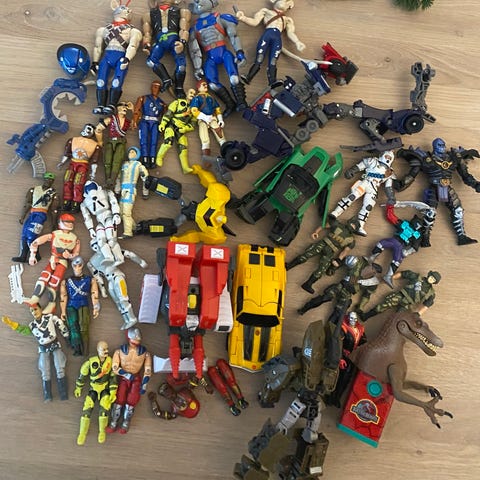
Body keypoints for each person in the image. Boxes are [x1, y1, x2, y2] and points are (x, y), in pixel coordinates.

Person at [396, 137, 480, 246]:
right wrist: (402, 183)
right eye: (439, 145)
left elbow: (465, 175)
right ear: (434, 146)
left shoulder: (454, 158)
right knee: (430, 212)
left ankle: (461, 237)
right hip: (434, 188)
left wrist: (475, 184)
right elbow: (413, 173)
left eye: (443, 145)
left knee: (458, 210)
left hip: (447, 187)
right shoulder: (426, 158)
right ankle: (425, 238)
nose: (442, 148)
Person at [188, 0, 247, 117]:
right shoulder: (194, 27)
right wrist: (197, 67)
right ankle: (230, 104)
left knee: (234, 78)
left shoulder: (220, 18)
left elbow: (233, 36)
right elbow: (194, 49)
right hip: (209, 56)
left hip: (224, 52)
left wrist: (239, 52)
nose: (198, 2)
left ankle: (241, 101)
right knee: (212, 85)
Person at [2, 305, 69, 402]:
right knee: (45, 371)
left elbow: (60, 323)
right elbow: (24, 330)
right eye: (32, 311)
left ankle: (63, 393)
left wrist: (66, 334)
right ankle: (47, 395)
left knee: (60, 368)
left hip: (54, 343)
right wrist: (12, 324)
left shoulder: (50, 317)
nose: (34, 312)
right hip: (43, 347)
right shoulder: (32, 325)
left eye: (35, 309)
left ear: (41, 309)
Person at [236, 0, 306, 85]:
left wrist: (297, 42)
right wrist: (243, 18)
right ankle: (249, 77)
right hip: (267, 35)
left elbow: (290, 33)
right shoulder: (266, 11)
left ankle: (272, 81)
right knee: (259, 57)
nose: (285, 2)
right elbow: (254, 22)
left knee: (273, 60)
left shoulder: (287, 20)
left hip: (277, 38)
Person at [91, 2, 142, 114]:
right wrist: (95, 62)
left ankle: (111, 104)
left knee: (117, 82)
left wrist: (127, 58)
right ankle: (100, 105)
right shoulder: (103, 30)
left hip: (121, 57)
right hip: (107, 56)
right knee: (100, 81)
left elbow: (133, 46)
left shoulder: (133, 31)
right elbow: (98, 47)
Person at [329, 150, 396, 236]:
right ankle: (336, 212)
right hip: (365, 182)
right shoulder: (372, 161)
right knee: (352, 196)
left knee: (368, 207)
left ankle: (360, 225)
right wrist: (352, 170)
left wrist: (391, 197)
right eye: (387, 156)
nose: (387, 159)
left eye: (390, 158)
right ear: (382, 155)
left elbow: (388, 186)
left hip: (373, 188)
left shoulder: (390, 172)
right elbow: (361, 165)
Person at [25, 213, 80, 314]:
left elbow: (76, 254)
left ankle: (51, 304)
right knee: (44, 277)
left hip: (63, 261)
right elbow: (36, 242)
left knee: (54, 282)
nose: (69, 224)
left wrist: (70, 256)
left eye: (70, 222)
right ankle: (35, 298)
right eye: (66, 222)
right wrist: (32, 255)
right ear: (60, 223)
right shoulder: (54, 234)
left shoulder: (75, 238)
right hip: (53, 259)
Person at [285, 217, 357, 294]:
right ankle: (289, 266)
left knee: (322, 269)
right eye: (352, 224)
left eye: (354, 226)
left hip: (331, 251)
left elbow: (345, 251)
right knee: (307, 254)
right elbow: (324, 225)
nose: (352, 226)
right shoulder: (337, 224)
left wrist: (338, 259)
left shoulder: (351, 240)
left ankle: (308, 284)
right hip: (323, 243)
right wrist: (316, 232)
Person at [107, 327, 152, 434]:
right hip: (124, 378)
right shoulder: (119, 351)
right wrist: (126, 374)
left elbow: (147, 370)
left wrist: (144, 384)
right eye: (133, 339)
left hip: (136, 378)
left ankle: (125, 423)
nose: (135, 341)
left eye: (137, 339)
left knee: (132, 401)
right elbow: (114, 367)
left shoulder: (145, 353)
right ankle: (113, 422)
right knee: (119, 399)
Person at [142, 0, 191, 98]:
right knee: (150, 61)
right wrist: (146, 44)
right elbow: (147, 33)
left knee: (181, 65)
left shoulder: (182, 11)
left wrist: (182, 42)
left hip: (174, 41)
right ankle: (166, 79)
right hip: (160, 42)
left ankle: (179, 87)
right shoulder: (149, 15)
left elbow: (184, 29)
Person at [74, 341, 118, 445]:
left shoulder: (110, 362)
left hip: (105, 389)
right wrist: (78, 388)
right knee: (86, 410)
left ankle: (102, 432)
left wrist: (113, 392)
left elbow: (113, 378)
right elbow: (82, 375)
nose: (106, 351)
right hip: (93, 388)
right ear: (98, 350)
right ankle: (82, 433)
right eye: (103, 349)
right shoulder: (90, 362)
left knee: (104, 411)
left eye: (107, 349)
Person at [12, 172, 58, 263]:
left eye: (51, 180)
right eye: (47, 179)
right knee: (24, 233)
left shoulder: (53, 193)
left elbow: (54, 210)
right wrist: (23, 216)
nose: (48, 181)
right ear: (44, 179)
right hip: (32, 213)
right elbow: (28, 203)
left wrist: (54, 223)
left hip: (41, 215)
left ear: (53, 182)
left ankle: (36, 255)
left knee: (31, 234)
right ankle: (23, 255)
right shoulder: (34, 189)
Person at [59, 256, 100, 356]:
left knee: (84, 327)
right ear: (72, 266)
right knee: (73, 328)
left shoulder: (90, 280)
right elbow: (63, 296)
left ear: (82, 265)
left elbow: (94, 293)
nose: (77, 267)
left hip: (83, 304)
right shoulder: (66, 281)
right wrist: (63, 311)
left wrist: (96, 307)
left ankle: (85, 351)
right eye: (75, 265)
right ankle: (77, 349)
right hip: (71, 305)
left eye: (79, 265)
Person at [360, 270, 441, 320]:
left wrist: (418, 314)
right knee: (382, 305)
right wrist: (391, 278)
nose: (431, 279)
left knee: (397, 320)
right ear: (429, 275)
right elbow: (404, 274)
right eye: (431, 277)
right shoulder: (417, 277)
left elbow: (427, 305)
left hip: (408, 305)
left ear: (434, 282)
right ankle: (366, 316)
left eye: (433, 279)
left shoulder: (431, 293)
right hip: (400, 295)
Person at [57, 124, 102, 212]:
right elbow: (67, 153)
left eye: (90, 130)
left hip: (83, 165)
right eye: (87, 129)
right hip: (72, 163)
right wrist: (62, 162)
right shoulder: (73, 140)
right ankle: (66, 201)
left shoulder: (95, 145)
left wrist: (93, 172)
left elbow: (95, 160)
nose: (87, 131)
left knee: (78, 182)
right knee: (67, 180)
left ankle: (76, 202)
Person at [95, 101, 134, 189]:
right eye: (122, 106)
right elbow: (98, 129)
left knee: (117, 161)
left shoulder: (128, 121)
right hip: (110, 141)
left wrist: (132, 110)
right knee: (107, 161)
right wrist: (100, 141)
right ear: (117, 108)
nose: (124, 108)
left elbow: (134, 125)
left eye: (126, 106)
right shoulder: (111, 119)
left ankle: (112, 181)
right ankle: (107, 180)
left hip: (121, 142)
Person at [132, 81, 167, 169]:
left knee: (154, 141)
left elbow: (165, 116)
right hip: (145, 121)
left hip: (155, 123)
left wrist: (164, 127)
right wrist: (135, 121)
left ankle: (152, 159)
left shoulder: (162, 103)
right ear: (151, 87)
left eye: (158, 88)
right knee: (143, 140)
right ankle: (145, 159)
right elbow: (137, 110)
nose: (156, 89)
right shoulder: (143, 98)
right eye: (154, 87)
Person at [117, 146, 149, 238]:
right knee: (120, 212)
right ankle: (134, 227)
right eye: (129, 152)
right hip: (123, 190)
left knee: (126, 212)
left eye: (133, 152)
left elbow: (146, 178)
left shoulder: (138, 165)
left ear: (137, 154)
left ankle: (128, 232)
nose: (130, 153)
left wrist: (145, 192)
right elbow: (119, 177)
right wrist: (117, 189)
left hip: (130, 190)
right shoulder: (124, 164)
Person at [189, 80, 226, 156]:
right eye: (203, 85)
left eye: (206, 84)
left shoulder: (211, 98)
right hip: (202, 119)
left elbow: (217, 109)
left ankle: (226, 148)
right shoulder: (197, 98)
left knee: (219, 132)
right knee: (204, 136)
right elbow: (194, 110)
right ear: (198, 88)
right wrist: (205, 117)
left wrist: (220, 120)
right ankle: (206, 153)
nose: (206, 86)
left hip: (212, 118)